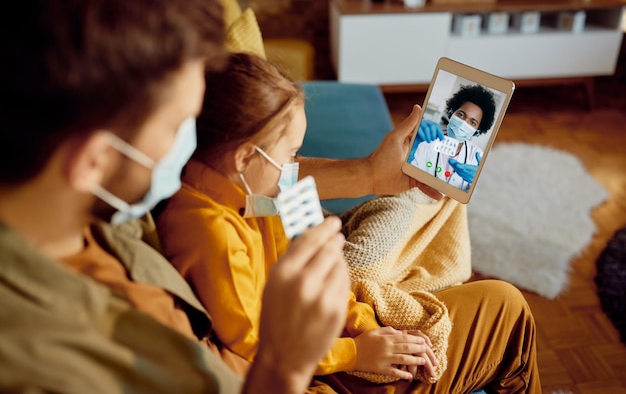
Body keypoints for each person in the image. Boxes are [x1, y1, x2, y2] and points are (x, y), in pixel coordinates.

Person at [0, 0, 352, 393]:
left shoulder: (94, 211)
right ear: (94, 161)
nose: (193, 146)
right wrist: (284, 366)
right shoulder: (44, 363)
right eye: (176, 127)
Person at [155, 53, 543, 392]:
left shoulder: (252, 196)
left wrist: (367, 323)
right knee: (509, 311)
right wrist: (357, 351)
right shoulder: (210, 232)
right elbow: (257, 342)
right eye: (291, 154)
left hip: (328, 337)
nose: (295, 167)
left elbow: (317, 279)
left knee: (456, 238)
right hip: (322, 367)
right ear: (244, 158)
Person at [408, 84, 496, 191]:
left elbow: (478, 196)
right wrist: (411, 148)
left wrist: (476, 182)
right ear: (451, 113)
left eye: (472, 122)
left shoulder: (477, 156)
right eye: (461, 115)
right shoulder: (425, 141)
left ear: (477, 130)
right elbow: (408, 177)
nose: (463, 123)